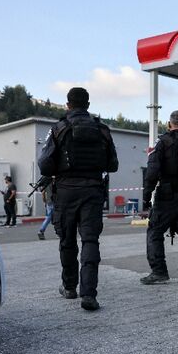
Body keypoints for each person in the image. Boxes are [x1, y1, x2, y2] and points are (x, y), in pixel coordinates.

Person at [38, 87, 119, 311]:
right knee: (90, 240)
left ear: (68, 105)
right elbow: (113, 164)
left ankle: (70, 287)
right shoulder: (102, 130)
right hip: (93, 190)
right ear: (88, 105)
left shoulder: (58, 129)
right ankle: (89, 295)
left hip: (65, 191)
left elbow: (45, 163)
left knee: (67, 241)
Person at [141, 110, 178, 286]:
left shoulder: (162, 142)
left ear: (169, 124)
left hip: (166, 196)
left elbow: (152, 171)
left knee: (154, 232)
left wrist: (146, 195)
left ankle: (159, 271)